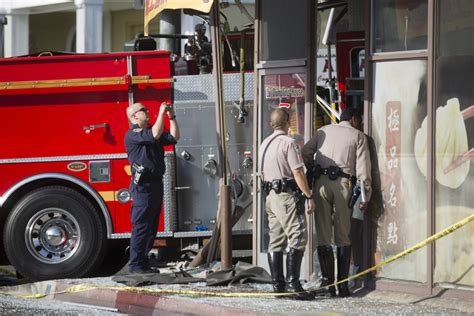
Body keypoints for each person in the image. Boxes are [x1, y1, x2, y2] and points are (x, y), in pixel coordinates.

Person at [302, 107, 371, 297]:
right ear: (354, 119)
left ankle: (328, 284)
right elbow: (364, 171)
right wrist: (365, 196)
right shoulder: (358, 136)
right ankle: (342, 286)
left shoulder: (322, 131)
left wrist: (313, 170)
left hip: (320, 185)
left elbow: (305, 152)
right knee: (343, 235)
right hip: (343, 185)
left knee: (324, 235)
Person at [259, 107, 315, 300]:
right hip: (286, 196)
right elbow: (298, 172)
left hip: (271, 197)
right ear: (287, 122)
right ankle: (294, 284)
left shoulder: (264, 144)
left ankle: (278, 286)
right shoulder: (289, 143)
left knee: (276, 240)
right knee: (298, 235)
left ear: (272, 124)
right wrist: (308, 195)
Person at [124, 101, 180, 274]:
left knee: (151, 226)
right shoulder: (133, 134)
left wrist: (172, 116)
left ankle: (144, 261)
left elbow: (174, 137)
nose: (147, 112)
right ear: (134, 116)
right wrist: (161, 112)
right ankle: (135, 265)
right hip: (143, 187)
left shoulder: (149, 133)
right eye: (143, 110)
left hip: (155, 184)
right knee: (141, 225)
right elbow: (155, 134)